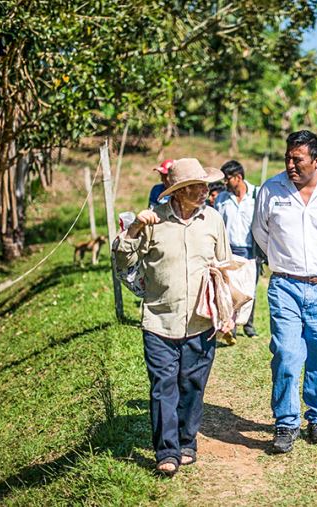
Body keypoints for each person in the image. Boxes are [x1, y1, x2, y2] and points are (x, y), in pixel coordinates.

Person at [114, 158, 232, 477]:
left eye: (206, 185)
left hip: (200, 322)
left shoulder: (213, 220)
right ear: (178, 192)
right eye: (198, 187)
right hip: (159, 320)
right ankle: (167, 451)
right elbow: (123, 258)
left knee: (192, 385)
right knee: (163, 385)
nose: (206, 191)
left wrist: (227, 309)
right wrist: (135, 228)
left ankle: (186, 441)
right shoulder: (153, 222)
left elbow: (224, 265)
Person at [252, 130, 317, 454]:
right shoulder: (271, 189)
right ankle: (286, 423)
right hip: (285, 285)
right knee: (286, 353)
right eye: (287, 157)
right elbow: (261, 232)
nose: (290, 164)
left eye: (296, 159)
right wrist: (289, 263)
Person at [215, 160, 259, 338]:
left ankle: (248, 325)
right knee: (230, 291)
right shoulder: (222, 199)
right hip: (229, 251)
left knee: (249, 291)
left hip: (250, 252)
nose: (225, 183)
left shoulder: (256, 195)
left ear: (238, 177)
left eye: (227, 179)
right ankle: (229, 326)